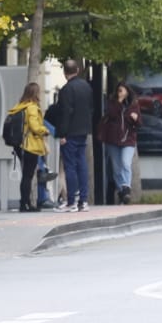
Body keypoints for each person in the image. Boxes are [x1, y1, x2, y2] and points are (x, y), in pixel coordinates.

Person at [45, 60, 94, 211]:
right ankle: (83, 201)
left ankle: (71, 201)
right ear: (77, 70)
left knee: (70, 166)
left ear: (65, 73)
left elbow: (65, 113)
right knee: (82, 165)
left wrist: (62, 134)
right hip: (83, 131)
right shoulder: (86, 87)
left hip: (70, 133)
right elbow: (90, 108)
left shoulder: (66, 90)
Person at [7, 82, 49, 212]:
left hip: (19, 145)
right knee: (28, 176)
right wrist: (45, 130)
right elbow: (35, 127)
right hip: (30, 145)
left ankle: (24, 203)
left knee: (26, 175)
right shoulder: (32, 107)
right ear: (35, 93)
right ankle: (25, 204)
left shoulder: (19, 106)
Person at [97, 83, 142, 204]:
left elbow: (139, 124)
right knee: (116, 169)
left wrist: (135, 119)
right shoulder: (112, 102)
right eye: (118, 91)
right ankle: (122, 192)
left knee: (125, 163)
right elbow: (111, 114)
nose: (119, 93)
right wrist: (119, 101)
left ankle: (126, 187)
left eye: (122, 91)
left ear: (127, 91)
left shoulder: (133, 104)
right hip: (113, 140)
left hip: (128, 140)